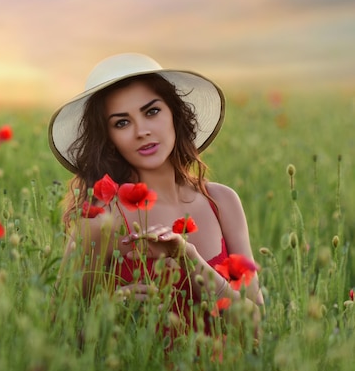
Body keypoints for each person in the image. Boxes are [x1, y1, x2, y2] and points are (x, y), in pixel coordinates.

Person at [48, 52, 264, 342]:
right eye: (122, 123)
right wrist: (109, 315)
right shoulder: (103, 221)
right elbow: (56, 334)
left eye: (151, 112)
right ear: (108, 139)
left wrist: (190, 261)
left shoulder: (222, 203)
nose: (142, 131)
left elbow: (257, 326)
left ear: (175, 113)